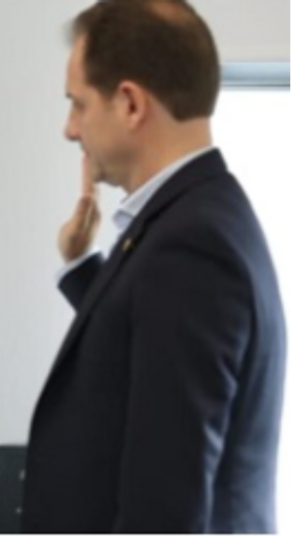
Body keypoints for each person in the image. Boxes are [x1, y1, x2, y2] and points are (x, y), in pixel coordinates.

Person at [22, 1, 287, 532]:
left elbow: (165, 510)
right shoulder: (199, 219)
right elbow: (143, 350)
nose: (70, 130)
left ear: (129, 104)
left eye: (77, 104)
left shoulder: (191, 247)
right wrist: (80, 265)